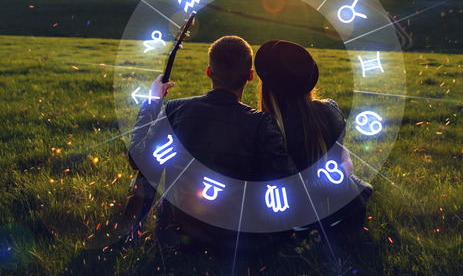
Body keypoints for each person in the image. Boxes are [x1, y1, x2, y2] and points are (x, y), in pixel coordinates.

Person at [127, 35, 296, 251]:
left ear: (208, 71)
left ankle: (128, 233)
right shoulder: (261, 123)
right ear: (251, 76)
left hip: (174, 233)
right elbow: (287, 180)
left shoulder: (174, 109)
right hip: (237, 242)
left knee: (151, 157)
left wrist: (152, 103)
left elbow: (137, 158)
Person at [254, 39, 372, 232]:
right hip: (349, 211)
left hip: (298, 220)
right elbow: (341, 156)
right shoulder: (330, 110)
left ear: (266, 86)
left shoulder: (266, 126)